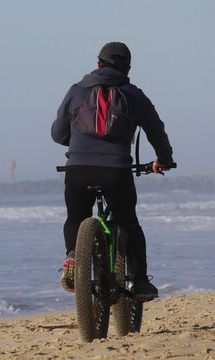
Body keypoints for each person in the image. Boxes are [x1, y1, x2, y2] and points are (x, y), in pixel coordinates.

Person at [50, 42, 174, 299]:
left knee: (76, 216)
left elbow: (57, 133)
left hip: (78, 170)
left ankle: (73, 256)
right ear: (128, 69)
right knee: (128, 222)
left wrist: (77, 144)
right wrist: (164, 159)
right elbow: (156, 131)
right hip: (116, 171)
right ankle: (139, 282)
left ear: (97, 64)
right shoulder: (134, 95)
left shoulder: (76, 91)